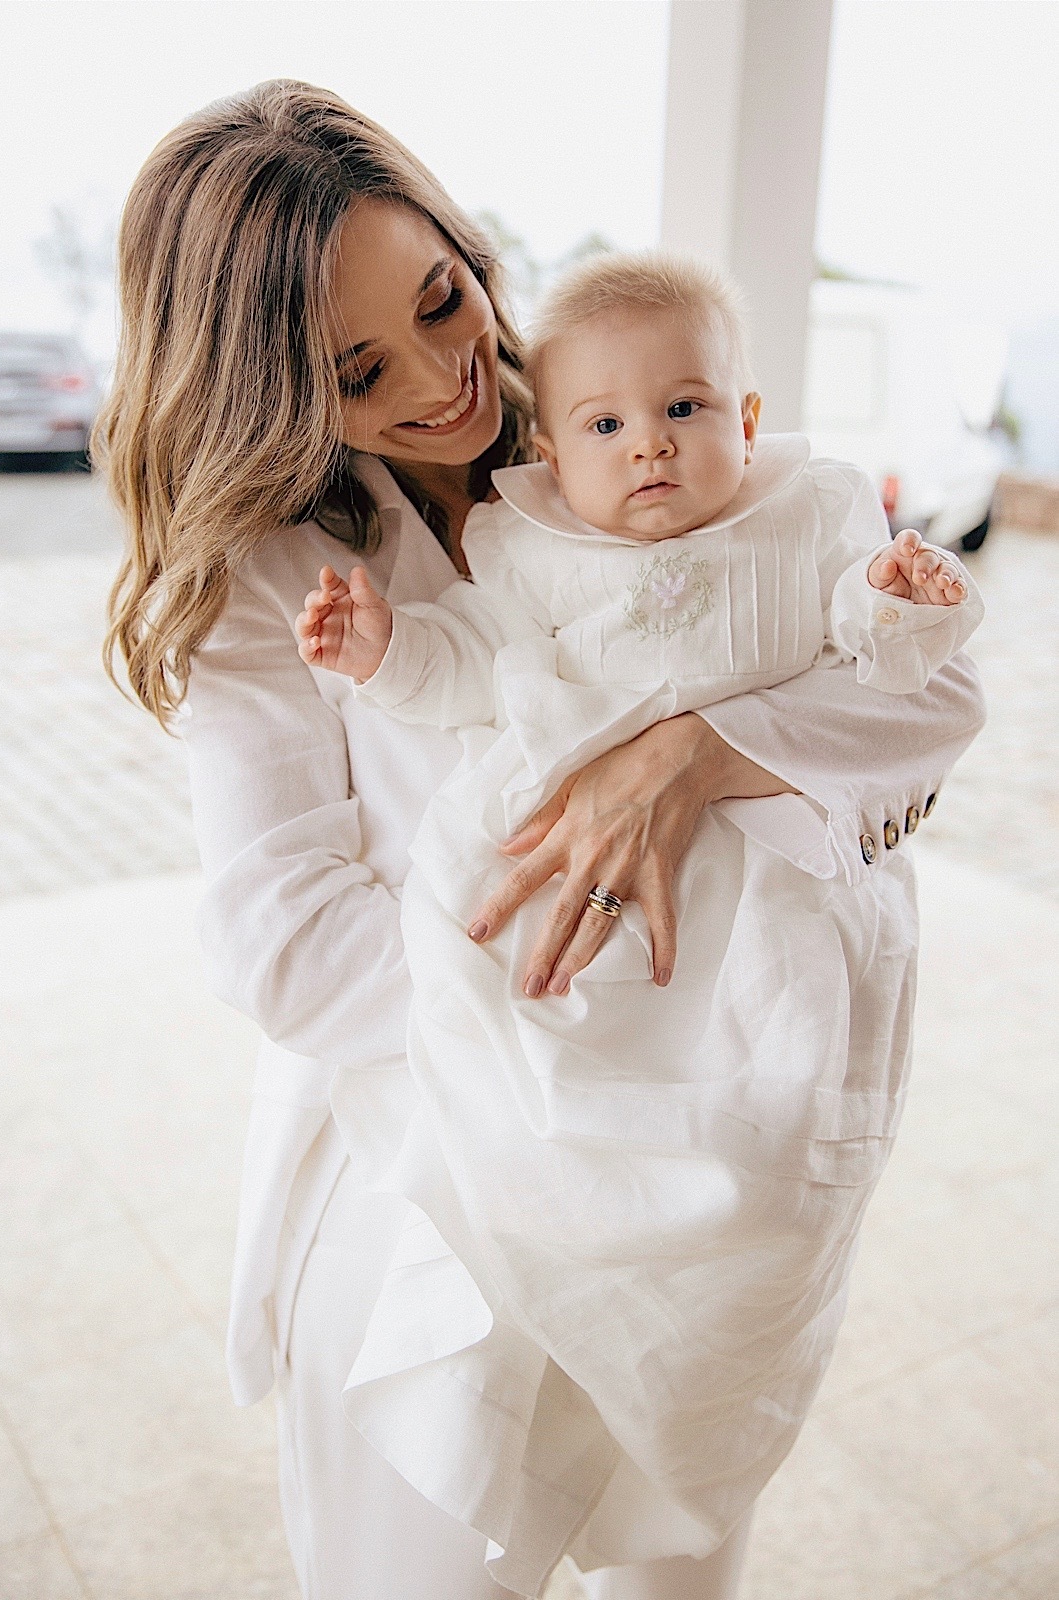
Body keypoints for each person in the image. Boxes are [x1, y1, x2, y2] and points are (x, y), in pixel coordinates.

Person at [96, 81, 985, 1600]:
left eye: (446, 298)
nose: (448, 379)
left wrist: (697, 759)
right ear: (272, 388)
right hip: (433, 1164)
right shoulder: (278, 571)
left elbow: (911, 729)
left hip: (710, 1164)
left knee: (683, 1548)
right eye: (361, 368)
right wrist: (580, 1019)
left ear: (457, 233)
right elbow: (285, 943)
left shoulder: (624, 406)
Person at [290, 250, 983, 1593]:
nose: (650, 446)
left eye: (687, 409)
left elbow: (901, 684)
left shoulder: (810, 518)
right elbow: (470, 671)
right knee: (561, 1084)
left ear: (751, 420)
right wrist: (381, 653)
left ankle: (719, 1294)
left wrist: (901, 606)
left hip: (767, 906)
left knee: (766, 1129)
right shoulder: (532, 546)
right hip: (581, 924)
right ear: (555, 446)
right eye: (607, 426)